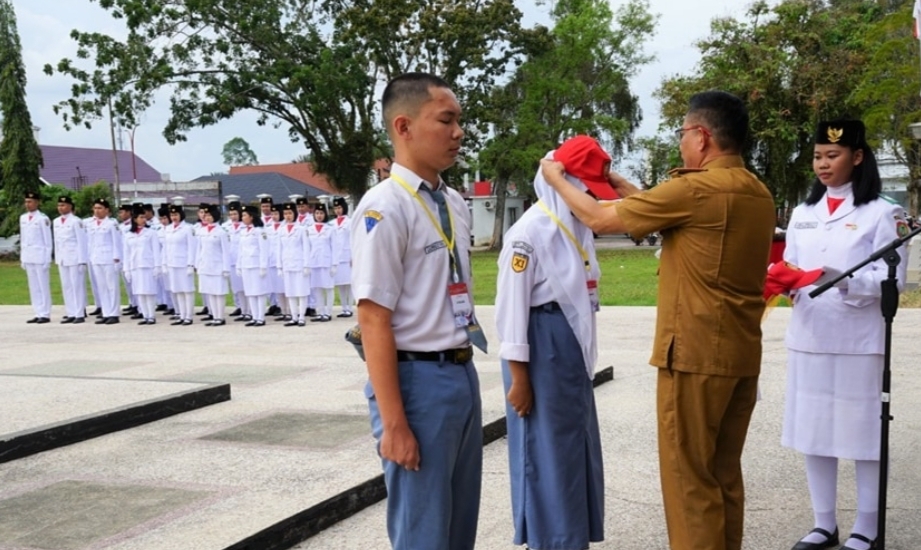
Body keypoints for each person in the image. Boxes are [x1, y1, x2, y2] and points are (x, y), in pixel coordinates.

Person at [541, 90, 775, 550]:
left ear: (703, 137)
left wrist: (555, 178)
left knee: (690, 480)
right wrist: (614, 178)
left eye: (684, 133)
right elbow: (656, 205)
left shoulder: (697, 190)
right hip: (739, 353)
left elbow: (600, 219)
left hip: (694, 353)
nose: (682, 142)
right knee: (723, 473)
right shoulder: (754, 190)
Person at [351, 72, 485, 550]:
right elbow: (372, 318)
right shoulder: (385, 207)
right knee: (423, 533)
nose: (458, 132)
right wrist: (395, 424)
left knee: (457, 527)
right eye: (445, 120)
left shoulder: (452, 201)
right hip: (416, 382)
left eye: (459, 121)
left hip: (460, 372)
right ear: (403, 127)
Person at [781, 120, 908, 550]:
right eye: (818, 156)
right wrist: (784, 282)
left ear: (857, 157)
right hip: (811, 336)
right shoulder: (802, 214)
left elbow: (895, 280)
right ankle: (824, 523)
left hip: (857, 338)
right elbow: (795, 266)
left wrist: (845, 281)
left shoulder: (883, 212)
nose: (823, 164)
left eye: (832, 156)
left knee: (862, 434)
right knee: (814, 432)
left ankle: (867, 527)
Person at [495, 135, 609, 550]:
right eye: (587, 186)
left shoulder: (578, 226)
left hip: (569, 348)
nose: (592, 196)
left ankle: (573, 535)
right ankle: (551, 540)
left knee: (573, 444)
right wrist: (519, 377)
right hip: (540, 347)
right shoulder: (529, 232)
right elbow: (510, 313)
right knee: (544, 452)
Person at [85, 198, 123, 325]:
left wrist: (117, 260)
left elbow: (117, 242)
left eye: (100, 208)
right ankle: (106, 312)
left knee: (112, 287)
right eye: (95, 208)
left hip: (109, 258)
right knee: (101, 287)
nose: (97, 211)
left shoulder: (112, 224)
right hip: (96, 258)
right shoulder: (91, 223)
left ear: (107, 210)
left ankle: (114, 313)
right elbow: (90, 243)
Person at [52, 195, 89, 324]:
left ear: (70, 206)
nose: (60, 208)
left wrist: (82, 260)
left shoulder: (76, 221)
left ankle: (79, 313)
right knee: (66, 286)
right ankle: (71, 312)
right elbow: (57, 241)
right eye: (59, 205)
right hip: (63, 258)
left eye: (63, 205)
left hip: (74, 258)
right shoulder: (56, 221)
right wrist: (57, 258)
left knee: (76, 286)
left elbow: (81, 242)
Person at [123, 204, 161, 325]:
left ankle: (151, 315)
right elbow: (126, 254)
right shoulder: (128, 235)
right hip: (135, 266)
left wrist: (157, 266)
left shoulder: (151, 233)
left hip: (147, 265)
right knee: (139, 292)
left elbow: (156, 250)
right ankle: (144, 315)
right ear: (135, 219)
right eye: (141, 217)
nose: (143, 219)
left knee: (149, 291)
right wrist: (127, 270)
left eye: (144, 217)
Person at [276, 202, 312, 326]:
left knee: (301, 291)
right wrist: (279, 266)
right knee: (290, 291)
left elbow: (306, 248)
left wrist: (307, 265)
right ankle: (294, 316)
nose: (287, 216)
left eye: (290, 213)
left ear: (294, 214)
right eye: (285, 213)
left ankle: (302, 316)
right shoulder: (281, 230)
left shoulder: (301, 229)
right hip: (287, 264)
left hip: (299, 264)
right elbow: (279, 249)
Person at [20, 191, 53, 324]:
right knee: (33, 286)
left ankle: (45, 313)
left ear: (37, 203)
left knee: (42, 285)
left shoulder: (42, 219)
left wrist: (47, 258)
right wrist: (23, 257)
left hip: (40, 256)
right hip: (29, 256)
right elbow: (23, 239)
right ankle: (38, 311)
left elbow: (47, 241)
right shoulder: (23, 218)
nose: (28, 204)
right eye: (26, 201)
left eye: (30, 202)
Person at [196, 205, 232, 327]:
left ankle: (220, 317)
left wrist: (226, 268)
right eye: (205, 216)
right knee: (210, 292)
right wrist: (197, 264)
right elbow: (199, 250)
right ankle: (214, 316)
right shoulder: (201, 231)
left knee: (219, 292)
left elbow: (226, 251)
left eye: (209, 215)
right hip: (205, 265)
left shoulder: (221, 232)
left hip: (218, 266)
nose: (207, 218)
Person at [162, 204, 197, 326]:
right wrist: (164, 263)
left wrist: (191, 265)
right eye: (172, 215)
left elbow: (192, 247)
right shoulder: (168, 229)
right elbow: (165, 248)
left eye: (176, 214)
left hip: (183, 263)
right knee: (177, 291)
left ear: (181, 215)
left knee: (187, 290)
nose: (174, 217)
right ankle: (181, 315)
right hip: (172, 264)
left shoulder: (188, 228)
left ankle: (188, 316)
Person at [236, 205, 270, 326]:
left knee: (259, 291)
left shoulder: (260, 231)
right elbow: (240, 250)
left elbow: (264, 249)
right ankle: (254, 316)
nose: (242, 217)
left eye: (245, 215)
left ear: (252, 216)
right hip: (246, 264)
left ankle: (261, 317)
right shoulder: (243, 231)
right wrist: (238, 265)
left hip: (256, 265)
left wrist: (263, 266)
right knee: (250, 292)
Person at [307, 202, 335, 322]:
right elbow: (308, 247)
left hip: (326, 261)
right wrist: (307, 264)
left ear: (325, 214)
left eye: (321, 213)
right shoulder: (309, 229)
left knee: (328, 287)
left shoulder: (330, 229)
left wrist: (334, 264)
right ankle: (320, 311)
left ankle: (328, 312)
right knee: (317, 287)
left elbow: (335, 247)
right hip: (314, 262)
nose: (319, 215)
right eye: (317, 213)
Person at [223, 201, 248, 318]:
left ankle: (249, 310)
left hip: (244, 261)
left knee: (246, 288)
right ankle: (241, 308)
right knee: (236, 288)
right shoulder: (225, 227)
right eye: (231, 214)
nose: (233, 217)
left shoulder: (246, 226)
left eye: (235, 214)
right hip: (232, 260)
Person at [331, 196, 354, 318]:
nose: (338, 210)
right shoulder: (332, 224)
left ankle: (349, 308)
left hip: (347, 255)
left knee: (349, 284)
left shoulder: (350, 222)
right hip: (337, 257)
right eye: (335, 208)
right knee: (340, 284)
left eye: (339, 207)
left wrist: (353, 256)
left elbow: (353, 240)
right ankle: (343, 307)